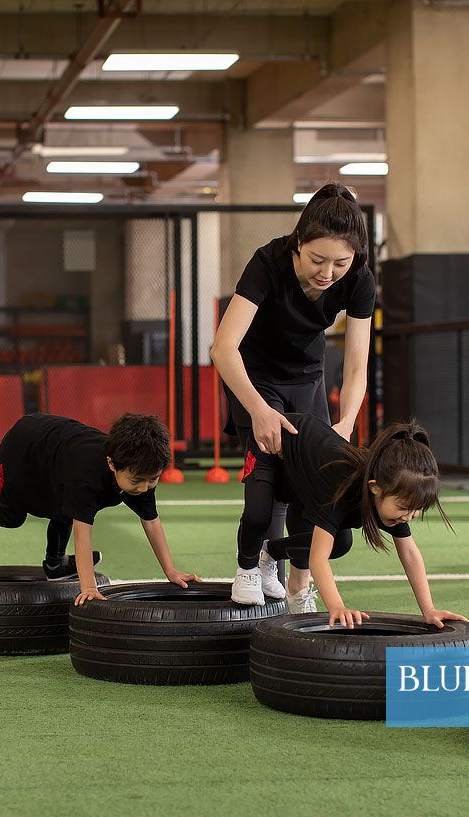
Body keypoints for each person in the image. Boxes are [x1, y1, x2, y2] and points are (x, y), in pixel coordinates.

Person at [209, 183, 375, 605]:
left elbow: (357, 364)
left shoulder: (359, 280)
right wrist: (259, 410)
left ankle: (299, 583)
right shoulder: (268, 262)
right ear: (298, 244)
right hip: (256, 375)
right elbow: (222, 348)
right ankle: (248, 565)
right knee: (265, 487)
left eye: (340, 263)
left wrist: (346, 424)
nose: (327, 273)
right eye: (318, 260)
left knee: (309, 484)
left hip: (307, 379)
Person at [0, 413, 200, 605]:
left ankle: (54, 566)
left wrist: (171, 571)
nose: (144, 488)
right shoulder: (88, 477)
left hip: (60, 457)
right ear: (112, 463)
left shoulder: (141, 471)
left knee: (64, 508)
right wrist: (89, 587)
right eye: (138, 481)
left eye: (153, 479)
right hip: (26, 447)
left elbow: (151, 522)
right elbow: (83, 534)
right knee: (1, 513)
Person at [253, 414, 467, 629]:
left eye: (416, 510)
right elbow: (319, 558)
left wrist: (429, 610)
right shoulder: (341, 487)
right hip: (278, 446)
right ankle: (253, 558)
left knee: (341, 543)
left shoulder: (392, 497)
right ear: (376, 488)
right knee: (259, 514)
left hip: (312, 473)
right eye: (403, 508)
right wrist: (336, 606)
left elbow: (410, 553)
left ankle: (271, 550)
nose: (407, 517)